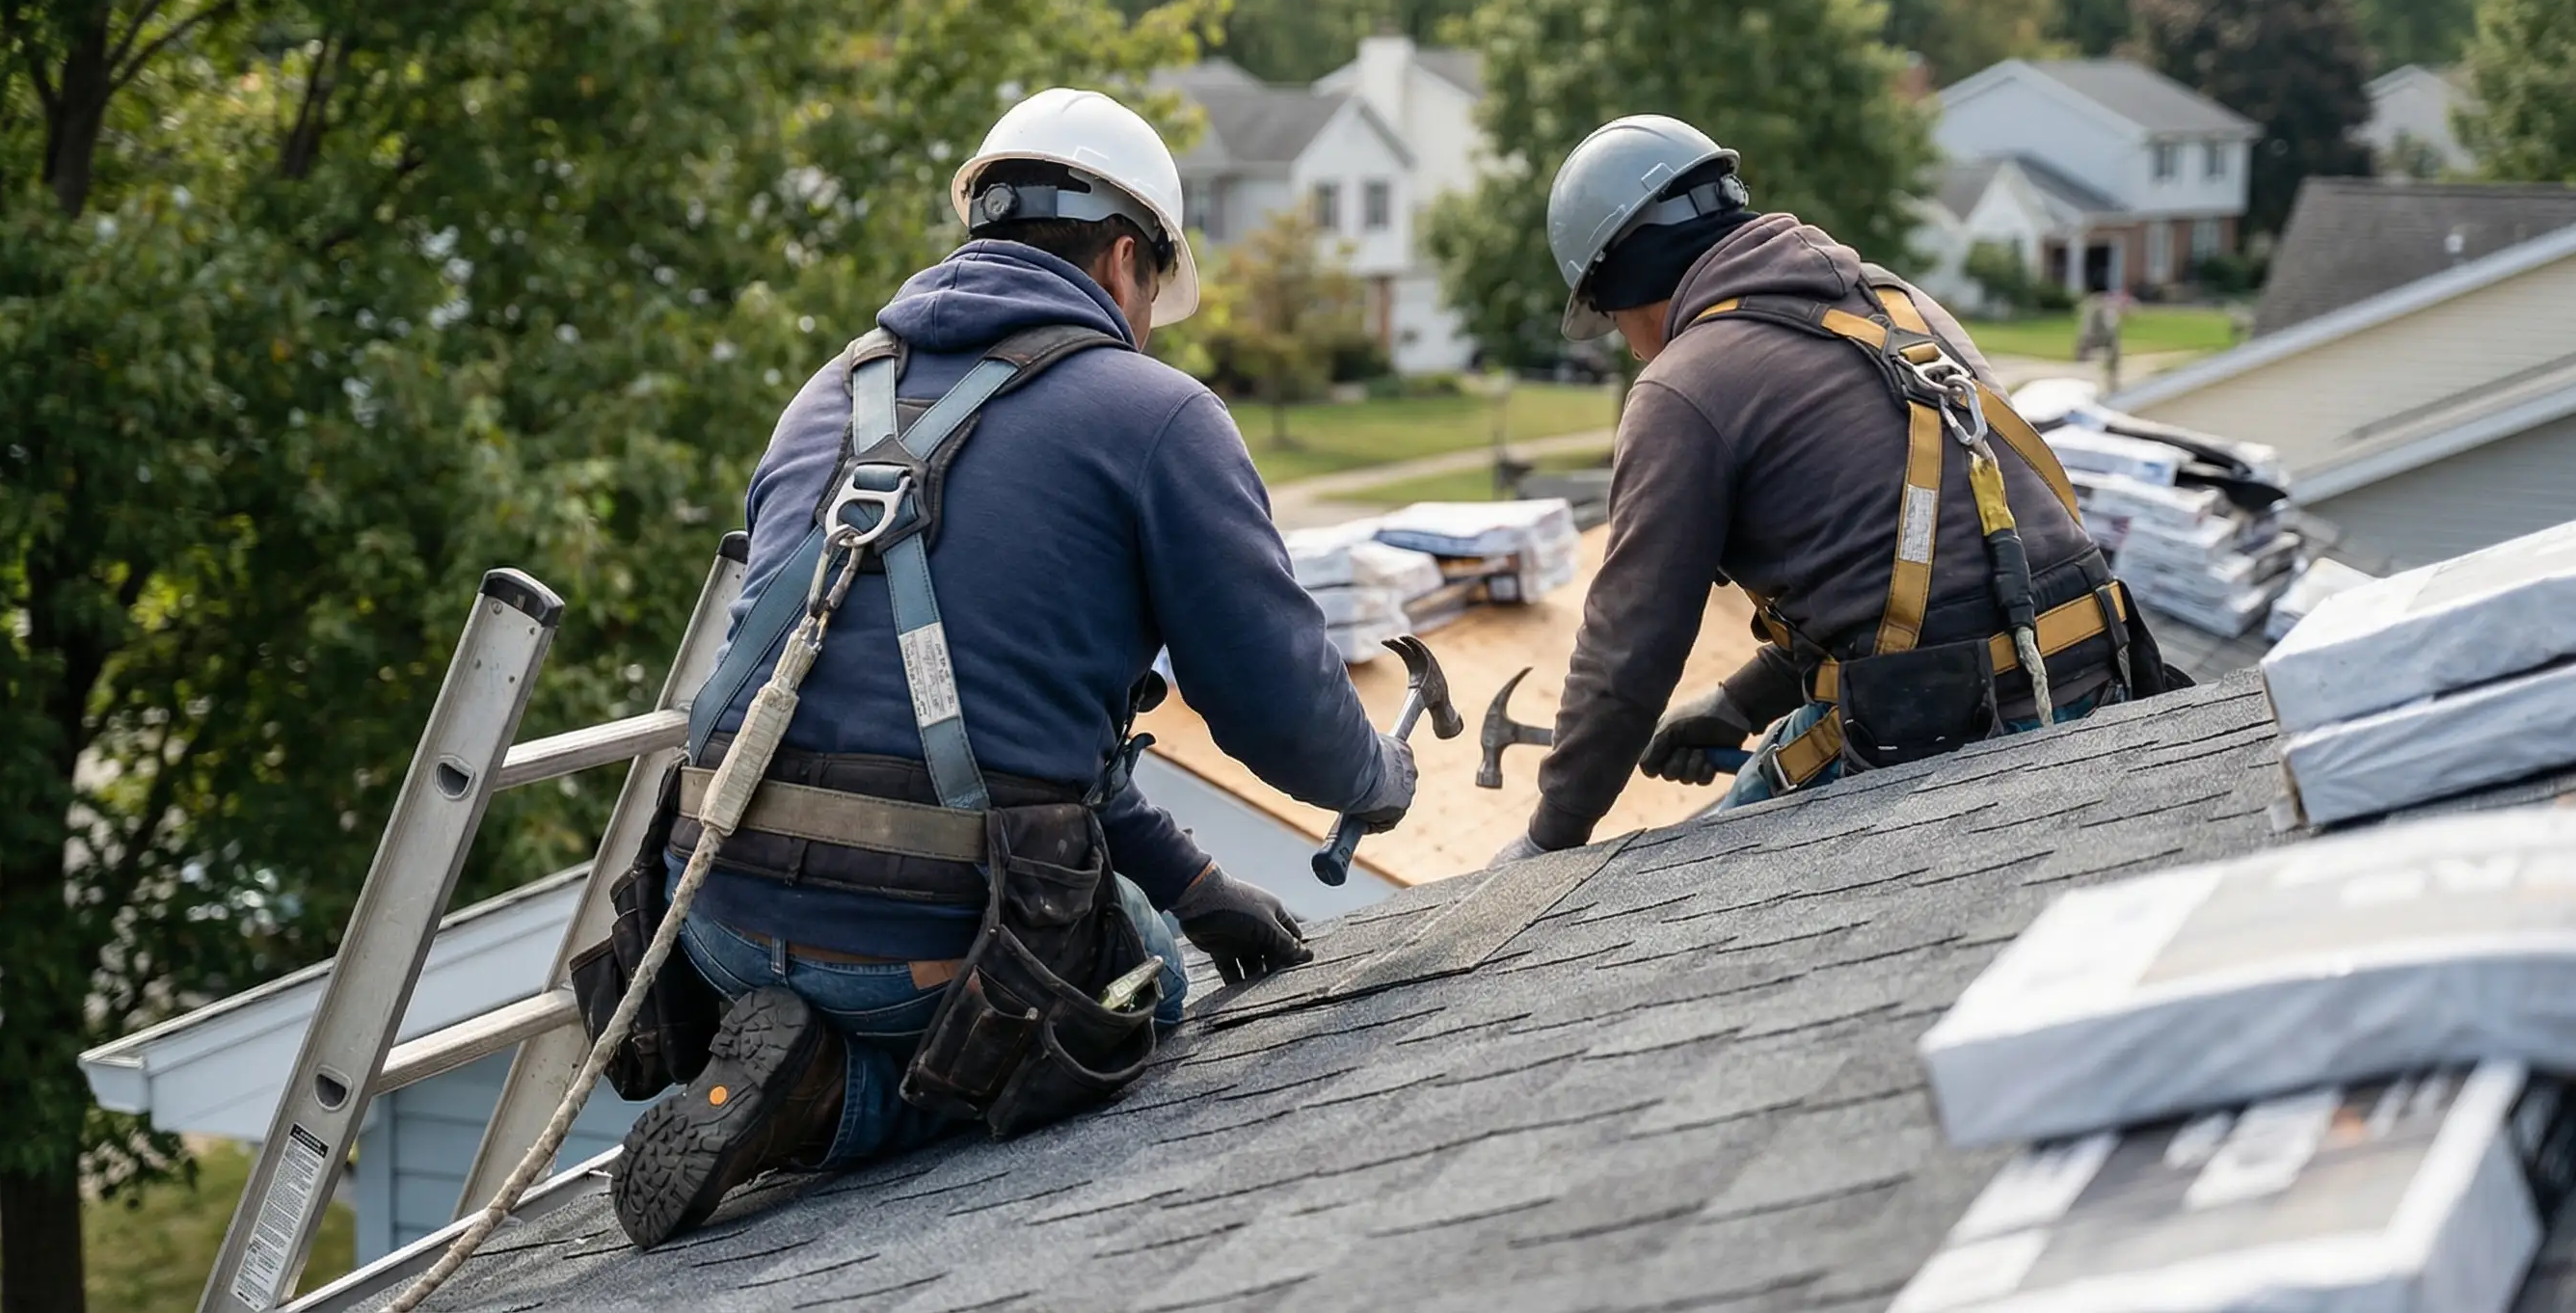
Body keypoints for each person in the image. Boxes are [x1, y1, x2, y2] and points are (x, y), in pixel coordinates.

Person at [611, 89, 1415, 1246]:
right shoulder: (1155, 413)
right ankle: (833, 1102)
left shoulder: (822, 396)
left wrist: (1197, 884)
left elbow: (988, 730)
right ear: (1128, 259)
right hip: (925, 951)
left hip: (717, 919)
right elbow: (1272, 708)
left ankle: (786, 1051)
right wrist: (1378, 784)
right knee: (1142, 992)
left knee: (1130, 915)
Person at [1492, 116, 2180, 865]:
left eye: (1612, 313)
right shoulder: (1896, 304)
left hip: (1957, 727)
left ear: (1628, 277)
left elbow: (1628, 650)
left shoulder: (1683, 388)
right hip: (2101, 675)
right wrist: (1739, 705)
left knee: (1686, 902)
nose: (1625, 340)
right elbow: (1917, 572)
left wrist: (1546, 841)